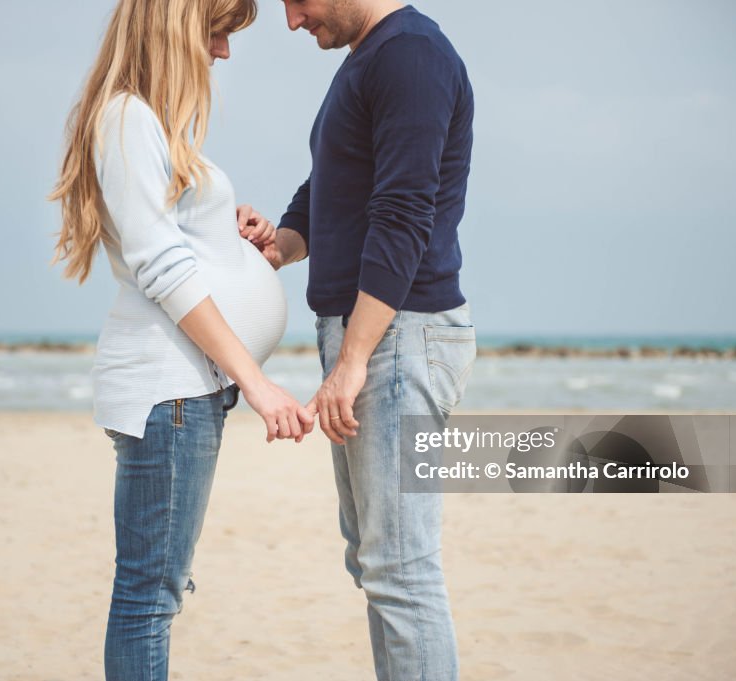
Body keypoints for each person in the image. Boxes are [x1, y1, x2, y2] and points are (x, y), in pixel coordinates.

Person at [49, 1, 314, 679]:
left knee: (155, 591)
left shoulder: (146, 126)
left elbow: (178, 248)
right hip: (170, 392)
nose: (224, 52)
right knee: (148, 598)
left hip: (182, 394)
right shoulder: (128, 118)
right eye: (219, 31)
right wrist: (255, 382)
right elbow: (161, 271)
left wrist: (232, 227)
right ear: (177, 26)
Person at [261, 1, 477, 679]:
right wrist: (280, 243)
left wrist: (353, 359)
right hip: (375, 335)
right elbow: (329, 186)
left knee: (401, 569)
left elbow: (404, 212)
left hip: (396, 336)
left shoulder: (411, 55)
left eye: (297, 1)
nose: (292, 20)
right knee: (375, 559)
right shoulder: (368, 58)